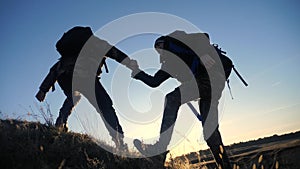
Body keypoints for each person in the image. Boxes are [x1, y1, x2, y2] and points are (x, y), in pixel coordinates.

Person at [133, 30, 232, 168]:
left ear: (163, 43)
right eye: (157, 50)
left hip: (211, 77)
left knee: (172, 98)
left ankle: (159, 151)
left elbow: (203, 36)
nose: (159, 51)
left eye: (159, 47)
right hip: (211, 87)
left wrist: (202, 53)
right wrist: (137, 73)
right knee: (210, 133)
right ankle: (225, 166)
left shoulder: (177, 42)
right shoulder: (170, 64)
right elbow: (154, 81)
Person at [35, 26, 138, 150]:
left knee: (73, 96)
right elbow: (115, 53)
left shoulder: (69, 52)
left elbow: (55, 68)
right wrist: (131, 64)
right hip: (84, 76)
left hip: (64, 76)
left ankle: (60, 123)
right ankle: (119, 141)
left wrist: (43, 89)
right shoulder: (96, 43)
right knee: (105, 106)